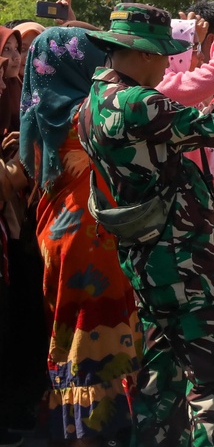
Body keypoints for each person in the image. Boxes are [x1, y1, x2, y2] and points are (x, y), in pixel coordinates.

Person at [78, 3, 214, 446]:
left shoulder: (94, 104)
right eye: (161, 55)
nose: (167, 64)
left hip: (149, 257)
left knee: (164, 378)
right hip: (184, 258)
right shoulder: (139, 102)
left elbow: (196, 125)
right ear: (140, 54)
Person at [21, 27, 141, 445]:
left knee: (72, 334)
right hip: (94, 235)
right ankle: (98, 431)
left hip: (59, 236)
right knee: (105, 329)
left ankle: (79, 430)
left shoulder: (42, 117)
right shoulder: (91, 110)